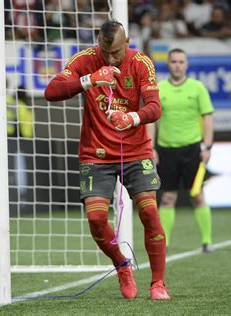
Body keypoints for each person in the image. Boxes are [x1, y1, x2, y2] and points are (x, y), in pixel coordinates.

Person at [43, 20, 170, 300]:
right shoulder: (86, 60)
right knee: (97, 219)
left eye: (115, 52)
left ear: (127, 43)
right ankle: (122, 266)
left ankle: (158, 283)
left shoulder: (141, 63)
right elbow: (51, 92)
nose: (110, 58)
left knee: (149, 212)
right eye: (105, 51)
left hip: (136, 151)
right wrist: (90, 80)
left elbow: (154, 108)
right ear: (98, 44)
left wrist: (131, 117)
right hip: (96, 153)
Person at [147, 48, 214, 254]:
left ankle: (207, 241)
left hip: (192, 149)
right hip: (166, 150)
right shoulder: (159, 89)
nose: (177, 65)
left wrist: (208, 146)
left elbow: (207, 117)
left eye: (181, 61)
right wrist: (151, 147)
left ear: (186, 65)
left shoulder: (197, 88)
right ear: (168, 64)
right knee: (167, 198)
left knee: (197, 195)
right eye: (174, 61)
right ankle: (164, 244)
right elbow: (152, 119)